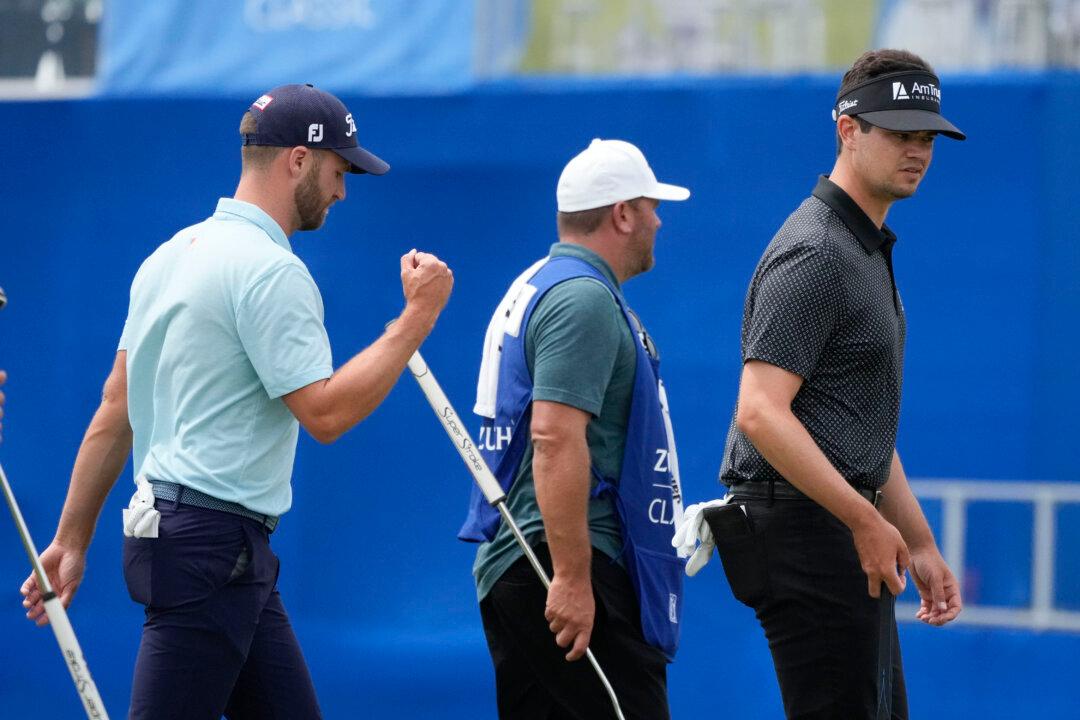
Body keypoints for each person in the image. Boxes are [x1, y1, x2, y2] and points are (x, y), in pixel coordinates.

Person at [18, 83, 453, 720]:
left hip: (206, 547)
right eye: (339, 169)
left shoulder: (169, 255)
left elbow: (116, 409)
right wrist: (416, 318)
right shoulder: (273, 270)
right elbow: (326, 413)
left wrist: (71, 538)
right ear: (298, 161)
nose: (342, 190)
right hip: (211, 550)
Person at [677, 49, 965, 719]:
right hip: (807, 528)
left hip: (832, 522)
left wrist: (918, 540)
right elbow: (759, 412)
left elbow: (856, 425)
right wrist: (864, 517)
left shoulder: (862, 248)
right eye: (899, 133)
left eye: (926, 137)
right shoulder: (818, 251)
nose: (917, 150)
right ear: (848, 131)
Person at [465, 138, 689, 719]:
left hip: (535, 560)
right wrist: (570, 577)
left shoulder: (544, 283)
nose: (659, 221)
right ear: (622, 214)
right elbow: (554, 436)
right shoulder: (582, 298)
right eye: (651, 206)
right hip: (564, 561)